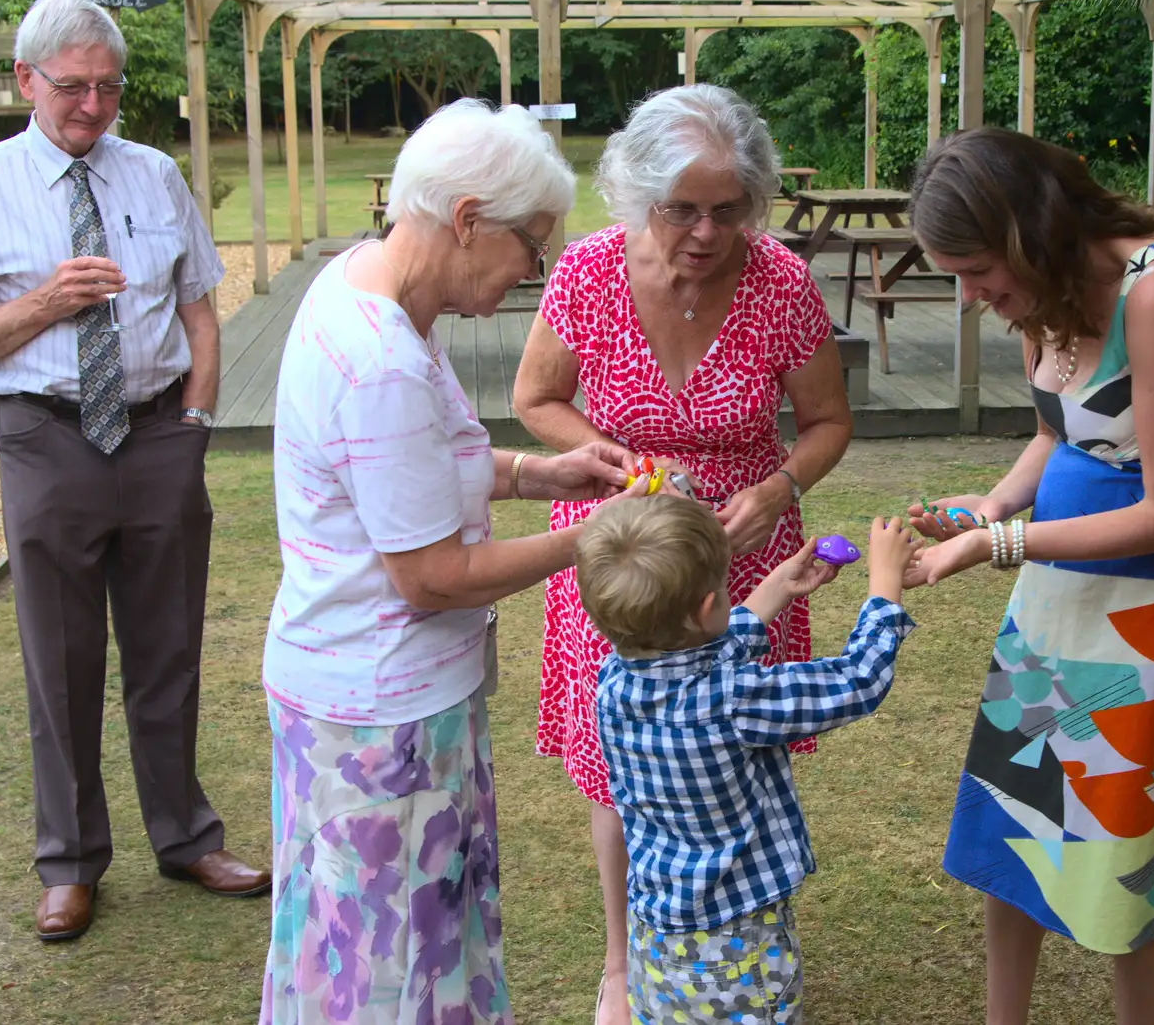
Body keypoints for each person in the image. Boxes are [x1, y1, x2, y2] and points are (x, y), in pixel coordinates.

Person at [258, 99, 642, 1025]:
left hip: (347, 690)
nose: (536, 272)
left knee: (352, 945)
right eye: (531, 246)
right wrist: (597, 537)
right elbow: (430, 576)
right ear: (469, 220)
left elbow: (417, 472)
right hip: (383, 715)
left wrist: (539, 471)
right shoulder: (382, 357)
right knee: (395, 965)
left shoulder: (364, 283)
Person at [901, 128, 1154, 1025]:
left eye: (977, 269)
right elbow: (1056, 433)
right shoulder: (1045, 292)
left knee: (1139, 842)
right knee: (1022, 812)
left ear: (1031, 229)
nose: (970, 294)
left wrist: (1002, 545)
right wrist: (988, 508)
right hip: (1063, 580)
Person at [511, 83, 854, 1023]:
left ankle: (745, 941)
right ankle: (624, 960)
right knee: (625, 758)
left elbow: (828, 422)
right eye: (682, 209)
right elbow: (535, 399)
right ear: (637, 196)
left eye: (729, 208)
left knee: (729, 757)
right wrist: (606, 457)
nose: (707, 232)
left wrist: (780, 488)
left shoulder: (781, 280)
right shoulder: (585, 273)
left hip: (742, 552)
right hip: (620, 546)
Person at [0, 0, 267, 942]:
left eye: (108, 87)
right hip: (45, 435)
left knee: (167, 647)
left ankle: (184, 835)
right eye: (74, 87)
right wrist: (44, 304)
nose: (93, 105)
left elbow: (201, 307)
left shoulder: (156, 174)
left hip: (160, 430)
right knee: (61, 657)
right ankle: (71, 861)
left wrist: (199, 417)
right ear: (26, 81)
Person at [576, 498, 917, 1024]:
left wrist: (776, 589)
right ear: (709, 606)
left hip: (655, 940)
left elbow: (692, 648)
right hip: (739, 945)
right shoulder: (734, 698)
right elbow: (857, 680)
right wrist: (884, 587)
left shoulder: (613, 681)